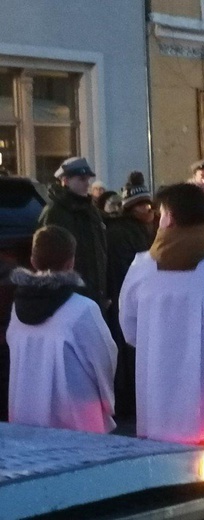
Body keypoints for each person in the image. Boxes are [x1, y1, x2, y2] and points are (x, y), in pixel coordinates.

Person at [119, 183, 204, 445]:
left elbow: (129, 328)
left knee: (162, 466)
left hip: (157, 395)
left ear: (167, 219)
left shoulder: (142, 268)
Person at [7, 225, 117, 433]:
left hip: (26, 418)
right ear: (71, 262)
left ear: (32, 261)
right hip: (76, 420)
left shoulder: (17, 309)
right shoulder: (82, 309)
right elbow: (104, 360)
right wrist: (107, 403)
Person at [106, 171, 156, 419]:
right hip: (127, 295)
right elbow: (128, 267)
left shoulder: (145, 229)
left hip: (136, 294)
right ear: (130, 208)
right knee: (128, 348)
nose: (148, 210)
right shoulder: (124, 232)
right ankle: (128, 400)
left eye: (149, 205)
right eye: (142, 206)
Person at [38, 157, 108, 309]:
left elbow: (101, 251)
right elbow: (47, 259)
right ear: (65, 180)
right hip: (67, 298)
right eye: (82, 179)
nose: (87, 184)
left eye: (88, 179)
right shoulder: (54, 212)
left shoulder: (91, 211)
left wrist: (104, 292)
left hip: (95, 296)